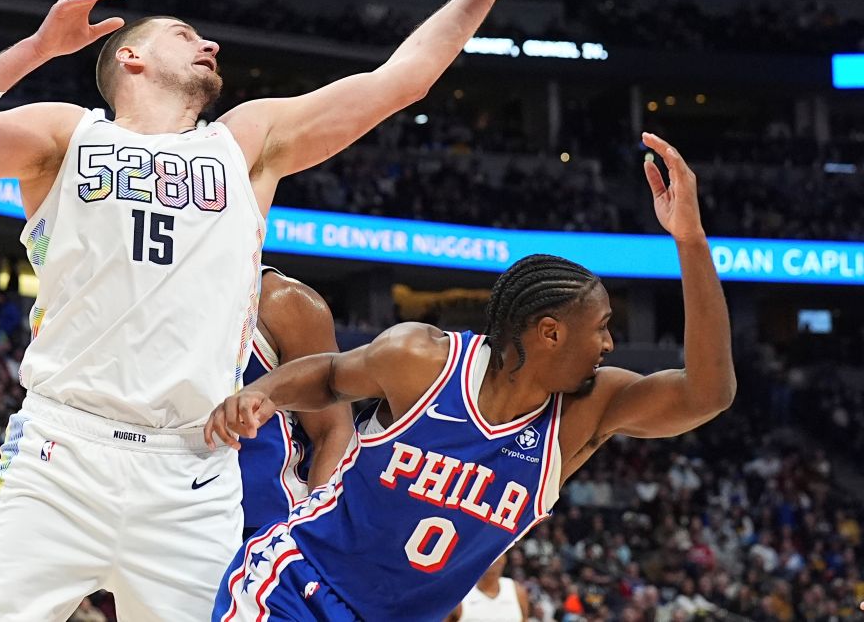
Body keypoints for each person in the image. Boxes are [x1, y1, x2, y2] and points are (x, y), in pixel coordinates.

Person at [0, 0, 526, 620]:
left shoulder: (246, 143)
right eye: (185, 35)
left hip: (191, 477)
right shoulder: (65, 134)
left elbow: (404, 79)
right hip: (60, 456)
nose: (210, 42)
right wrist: (38, 48)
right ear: (129, 57)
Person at [206, 133, 736, 622]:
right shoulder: (423, 359)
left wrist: (689, 241)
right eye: (601, 328)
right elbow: (330, 376)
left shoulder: (587, 412)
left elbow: (708, 393)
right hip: (295, 587)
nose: (610, 344)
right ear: (550, 333)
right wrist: (261, 392)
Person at [239, 269, 354, 538]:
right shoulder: (144, 293)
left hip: (268, 523)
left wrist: (316, 531)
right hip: (162, 503)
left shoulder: (284, 301)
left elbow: (333, 429)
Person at [445, 554, 528, 621]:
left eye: (499, 553)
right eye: (490, 554)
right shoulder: (459, 594)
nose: (494, 559)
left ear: (504, 559)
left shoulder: (517, 590)